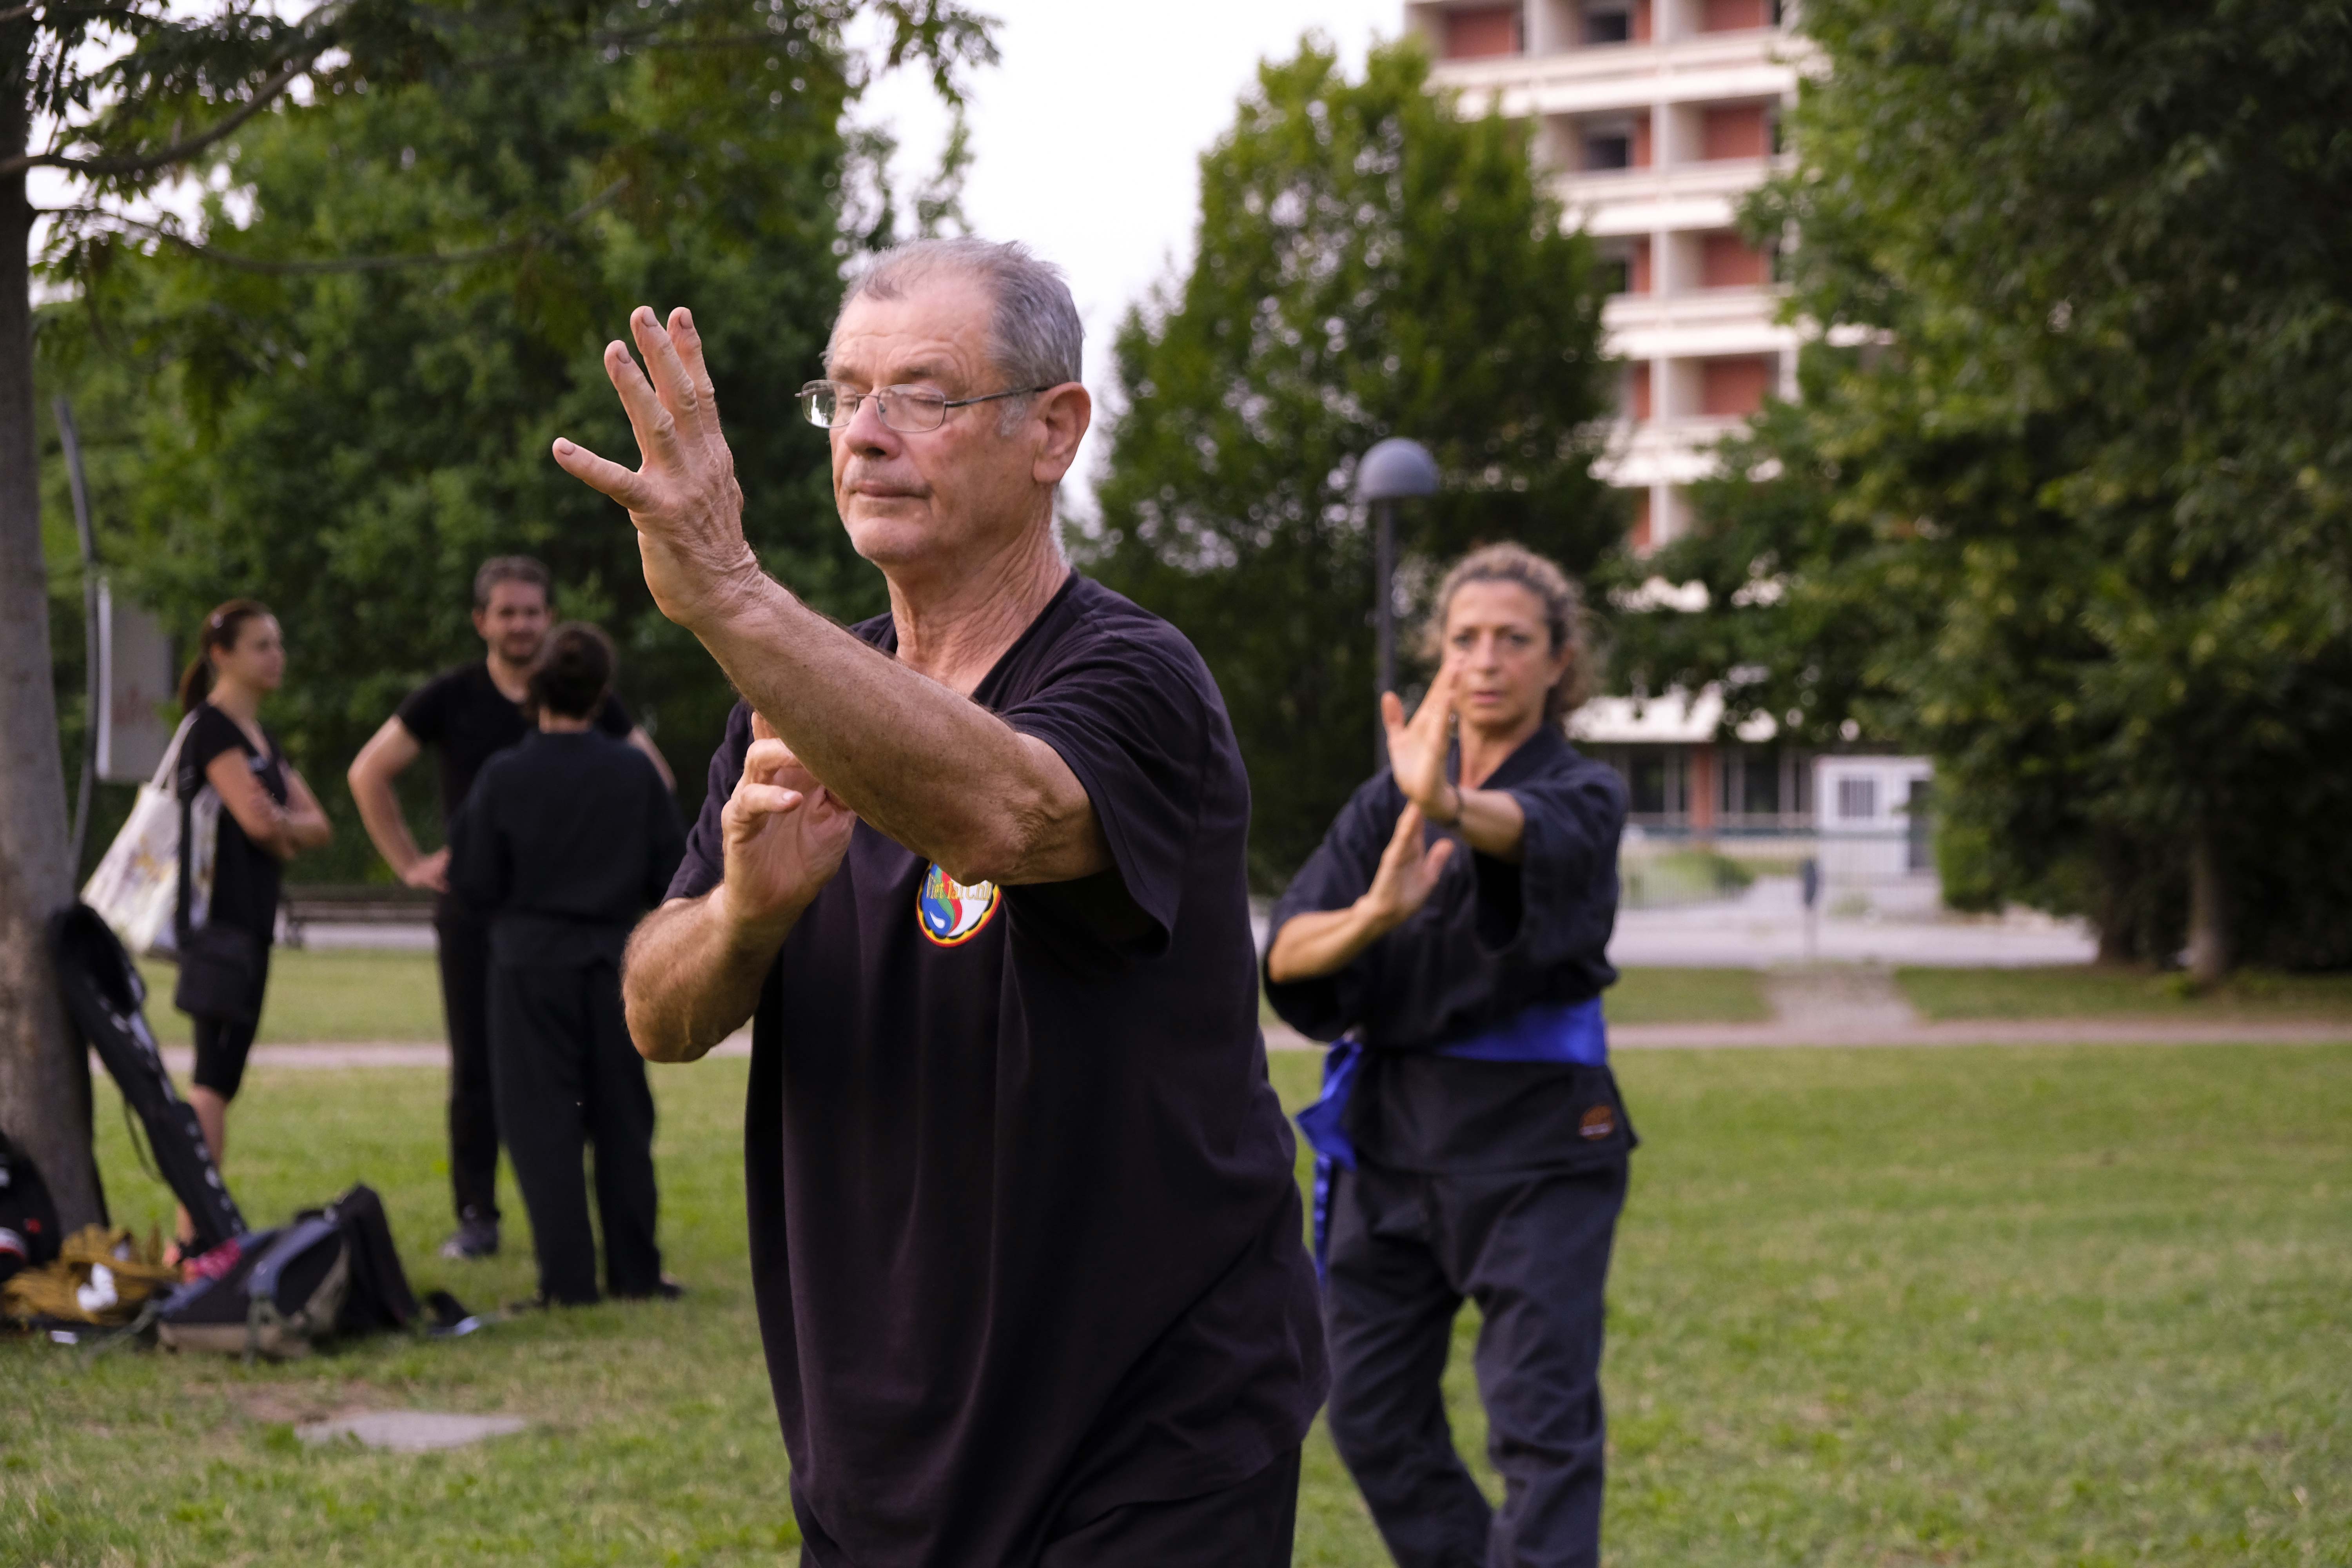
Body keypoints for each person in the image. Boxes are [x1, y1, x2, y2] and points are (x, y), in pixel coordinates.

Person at [548, 238, 1326, 1567]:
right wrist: (745, 914)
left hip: (1149, 1428)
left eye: (924, 395)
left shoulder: (1137, 676)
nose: (866, 435)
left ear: (1052, 431)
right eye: (843, 397)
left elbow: (1007, 811)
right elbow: (654, 1013)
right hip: (878, 1437)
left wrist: (731, 596)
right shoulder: (789, 708)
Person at [1263, 544, 1635, 1568]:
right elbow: (1290, 950)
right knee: (1371, 1416)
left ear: (1559, 662)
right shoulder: (1388, 799)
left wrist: (1451, 806)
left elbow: (1528, 834)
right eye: (1464, 640)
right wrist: (1375, 913)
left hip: (1539, 1150)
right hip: (1389, 1141)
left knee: (1540, 1429)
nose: (1485, 660)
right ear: (1439, 658)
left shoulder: (1584, 794)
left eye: (1514, 640)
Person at [347, 556, 674, 1262]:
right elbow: (368, 771)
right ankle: (478, 1213)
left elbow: (653, 779)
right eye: (508, 612)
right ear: (482, 621)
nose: (521, 624)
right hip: (480, 910)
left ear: (550, 620)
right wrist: (411, 862)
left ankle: (581, 1232)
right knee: (477, 1068)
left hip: (561, 922)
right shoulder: (452, 697)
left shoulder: (581, 695)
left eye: (532, 611)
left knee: (597, 1079)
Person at [446, 622, 684, 1307]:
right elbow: (671, 871)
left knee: (541, 1123)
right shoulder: (634, 772)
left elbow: (472, 880)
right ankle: (637, 1272)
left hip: (527, 965)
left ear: (533, 689)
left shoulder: (505, 775)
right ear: (603, 692)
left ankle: (568, 1280)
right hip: (615, 960)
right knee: (622, 1116)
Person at [171, 600, 334, 1253]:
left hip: (252, 928)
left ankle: (197, 1234)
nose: (277, 657)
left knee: (225, 1077)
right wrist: (282, 830)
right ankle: (192, 1240)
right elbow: (261, 822)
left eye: (278, 643)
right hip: (217, 931)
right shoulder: (210, 729)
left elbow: (315, 825)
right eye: (262, 645)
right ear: (222, 655)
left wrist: (282, 831)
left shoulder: (259, 738)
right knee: (212, 1078)